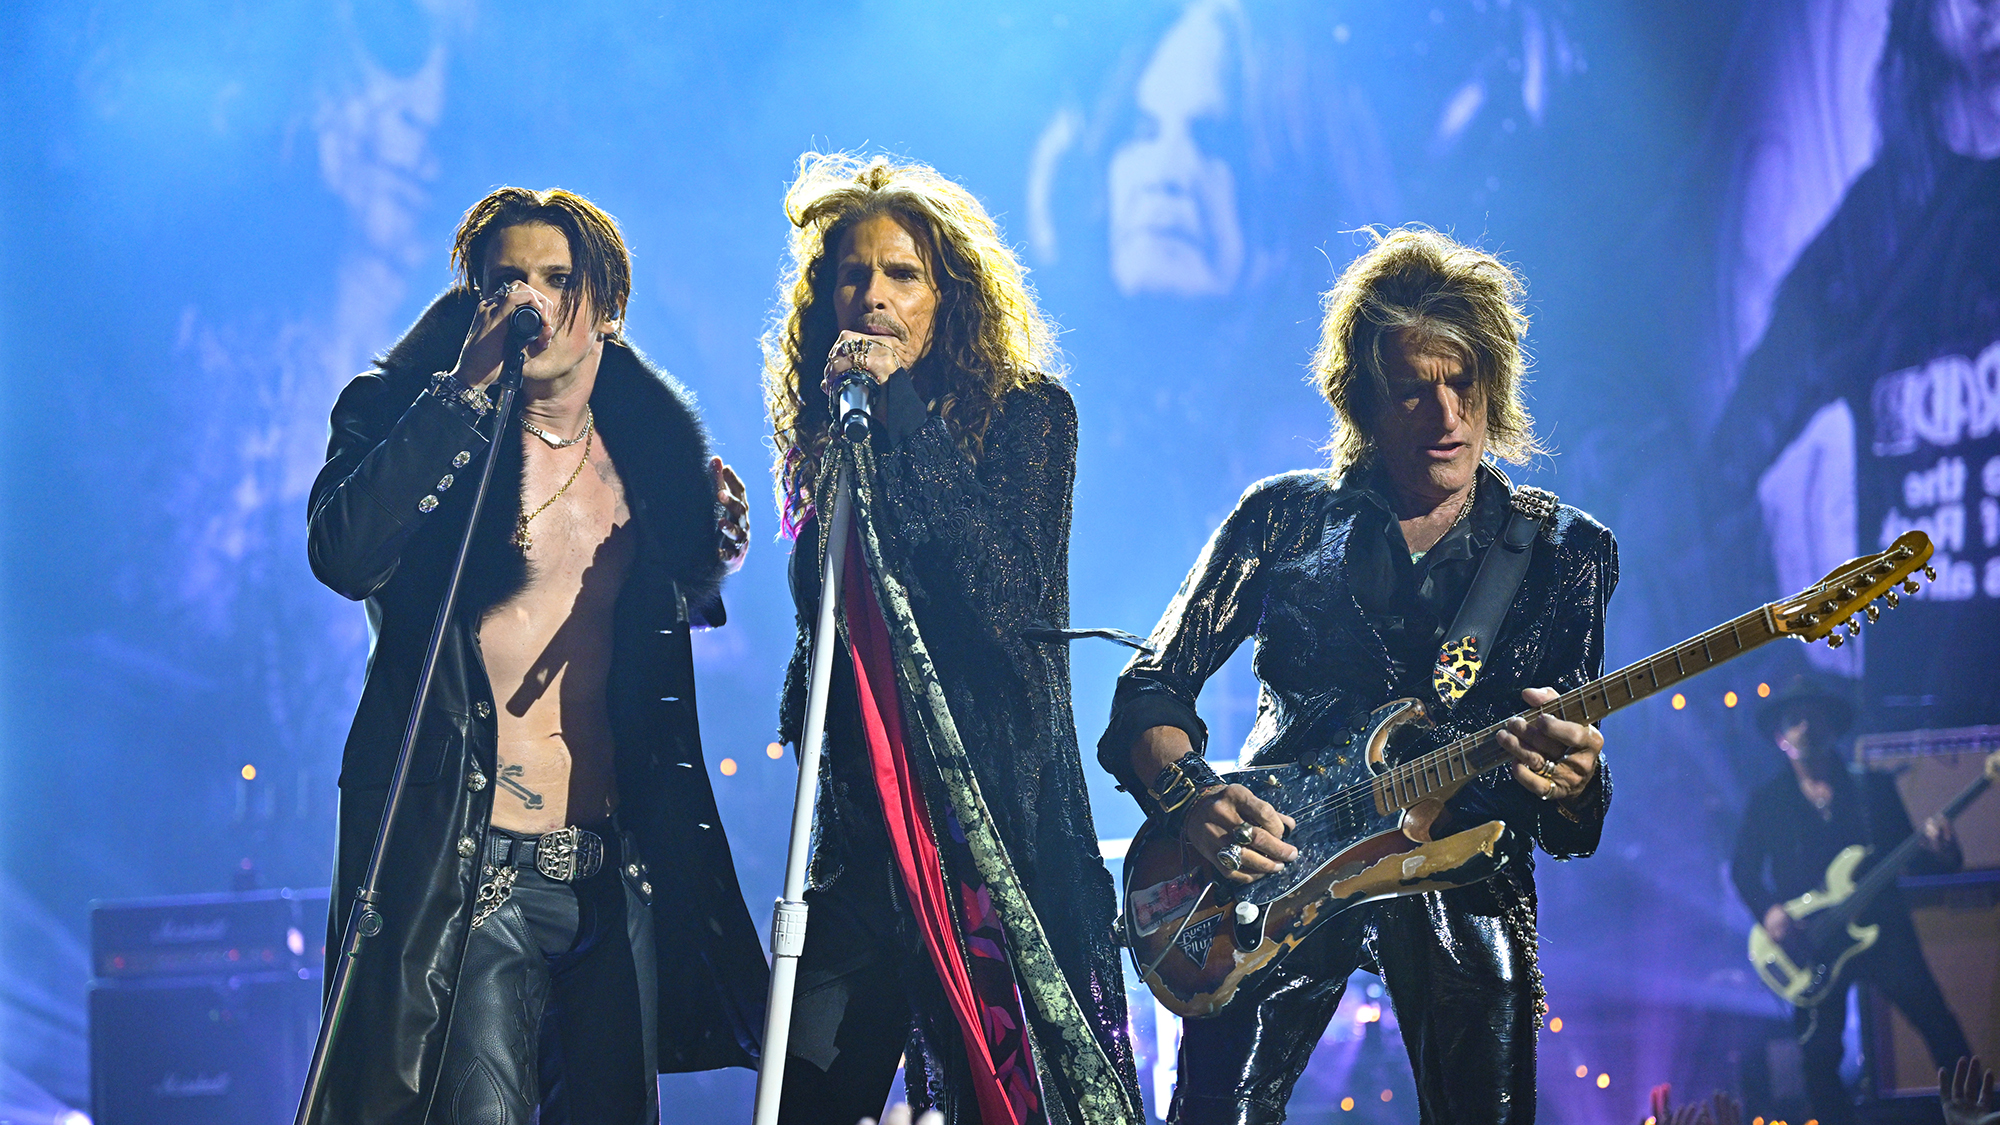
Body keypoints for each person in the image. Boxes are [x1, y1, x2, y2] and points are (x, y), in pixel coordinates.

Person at [1099, 227, 1617, 1124]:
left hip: (1457, 871)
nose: (1445, 413)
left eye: (1464, 382)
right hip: (1276, 862)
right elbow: (1150, 686)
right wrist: (1190, 797)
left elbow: (1566, 805)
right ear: (1363, 402)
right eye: (1413, 389)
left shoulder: (1568, 553)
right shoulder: (1282, 520)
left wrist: (1576, 780)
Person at [306, 187, 766, 1124]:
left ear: (608, 306)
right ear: (474, 299)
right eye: (506, 279)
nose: (533, 301)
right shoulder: (410, 427)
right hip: (472, 872)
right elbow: (344, 553)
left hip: (609, 875)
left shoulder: (645, 460)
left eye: (559, 279)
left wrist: (709, 550)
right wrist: (462, 392)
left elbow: (647, 633)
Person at [762, 152, 1141, 1125]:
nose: (873, 296)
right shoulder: (832, 435)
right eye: (853, 273)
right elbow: (828, 634)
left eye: (901, 274)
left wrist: (897, 412)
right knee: (801, 1091)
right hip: (867, 848)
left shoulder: (1029, 419)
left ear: (947, 297)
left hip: (991, 845)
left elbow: (1005, 599)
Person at [1729, 675, 1971, 1125]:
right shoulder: (1767, 802)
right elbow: (1742, 871)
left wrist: (1944, 851)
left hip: (1884, 929)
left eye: (1815, 717)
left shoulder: (1872, 788)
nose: (1806, 727)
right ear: (1781, 738)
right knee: (1819, 1058)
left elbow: (1911, 859)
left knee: (1939, 1026)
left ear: (1833, 727)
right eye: (1795, 720)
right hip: (1809, 942)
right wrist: (1770, 914)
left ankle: (1977, 1115)